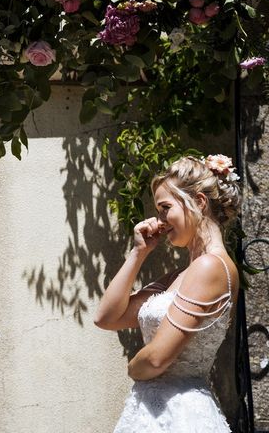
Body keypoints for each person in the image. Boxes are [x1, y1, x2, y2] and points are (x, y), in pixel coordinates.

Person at [94, 155, 242, 432]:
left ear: (199, 203)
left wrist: (132, 368)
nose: (158, 221)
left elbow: (155, 359)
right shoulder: (178, 276)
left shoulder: (211, 266)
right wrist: (139, 252)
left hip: (181, 415)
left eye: (165, 208)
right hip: (153, 413)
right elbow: (106, 317)